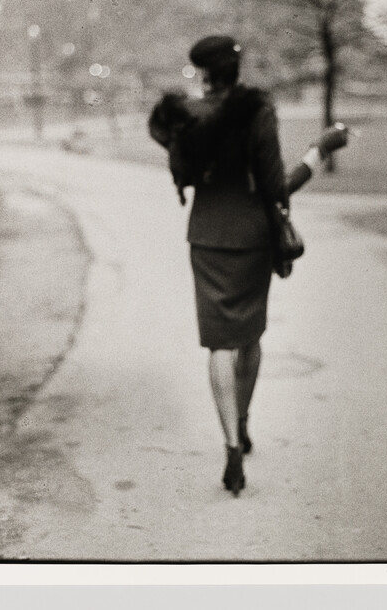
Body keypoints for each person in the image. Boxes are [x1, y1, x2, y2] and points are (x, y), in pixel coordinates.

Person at [149, 35, 289, 496]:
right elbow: (273, 183)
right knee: (250, 336)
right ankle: (243, 420)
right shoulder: (257, 111)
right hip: (252, 239)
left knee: (219, 346)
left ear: (204, 73)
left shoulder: (186, 115)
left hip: (207, 237)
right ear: (237, 70)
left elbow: (176, 162)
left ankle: (231, 447)